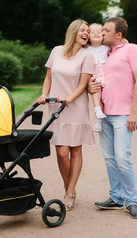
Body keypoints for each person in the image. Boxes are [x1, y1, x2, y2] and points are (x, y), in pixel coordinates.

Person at [88, 17, 137, 219]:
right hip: (105, 116)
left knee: (122, 158)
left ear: (118, 34)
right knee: (110, 159)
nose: (102, 33)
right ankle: (116, 197)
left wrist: (134, 111)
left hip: (123, 115)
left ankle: (131, 201)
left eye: (106, 30)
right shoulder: (107, 54)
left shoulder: (133, 50)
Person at [37, 19, 95, 211]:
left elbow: (82, 85)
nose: (86, 33)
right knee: (61, 152)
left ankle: (70, 192)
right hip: (56, 107)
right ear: (73, 32)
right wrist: (45, 95)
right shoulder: (56, 51)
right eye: (82, 30)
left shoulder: (87, 56)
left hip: (75, 106)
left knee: (75, 150)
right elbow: (48, 77)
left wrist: (68, 99)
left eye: (87, 31)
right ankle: (67, 185)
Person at [87, 23, 110, 132]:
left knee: (104, 98)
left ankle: (99, 121)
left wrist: (125, 41)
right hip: (94, 75)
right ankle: (97, 110)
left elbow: (120, 46)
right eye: (92, 32)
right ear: (89, 37)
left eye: (99, 32)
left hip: (106, 74)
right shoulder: (86, 49)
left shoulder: (107, 48)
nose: (96, 33)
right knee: (96, 88)